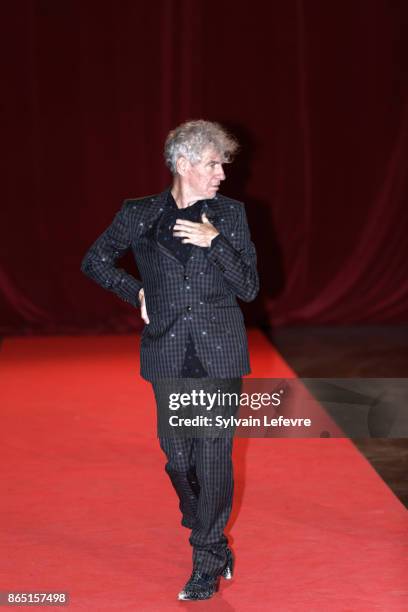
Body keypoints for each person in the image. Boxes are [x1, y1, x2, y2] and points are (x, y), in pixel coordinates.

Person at [81, 120, 259, 600]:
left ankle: (206, 556)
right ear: (183, 164)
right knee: (179, 459)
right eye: (212, 163)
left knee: (214, 455)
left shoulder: (229, 214)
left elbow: (249, 287)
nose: (221, 172)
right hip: (167, 350)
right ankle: (207, 526)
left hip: (219, 351)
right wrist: (135, 290)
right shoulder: (139, 214)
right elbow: (95, 260)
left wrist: (214, 242)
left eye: (222, 163)